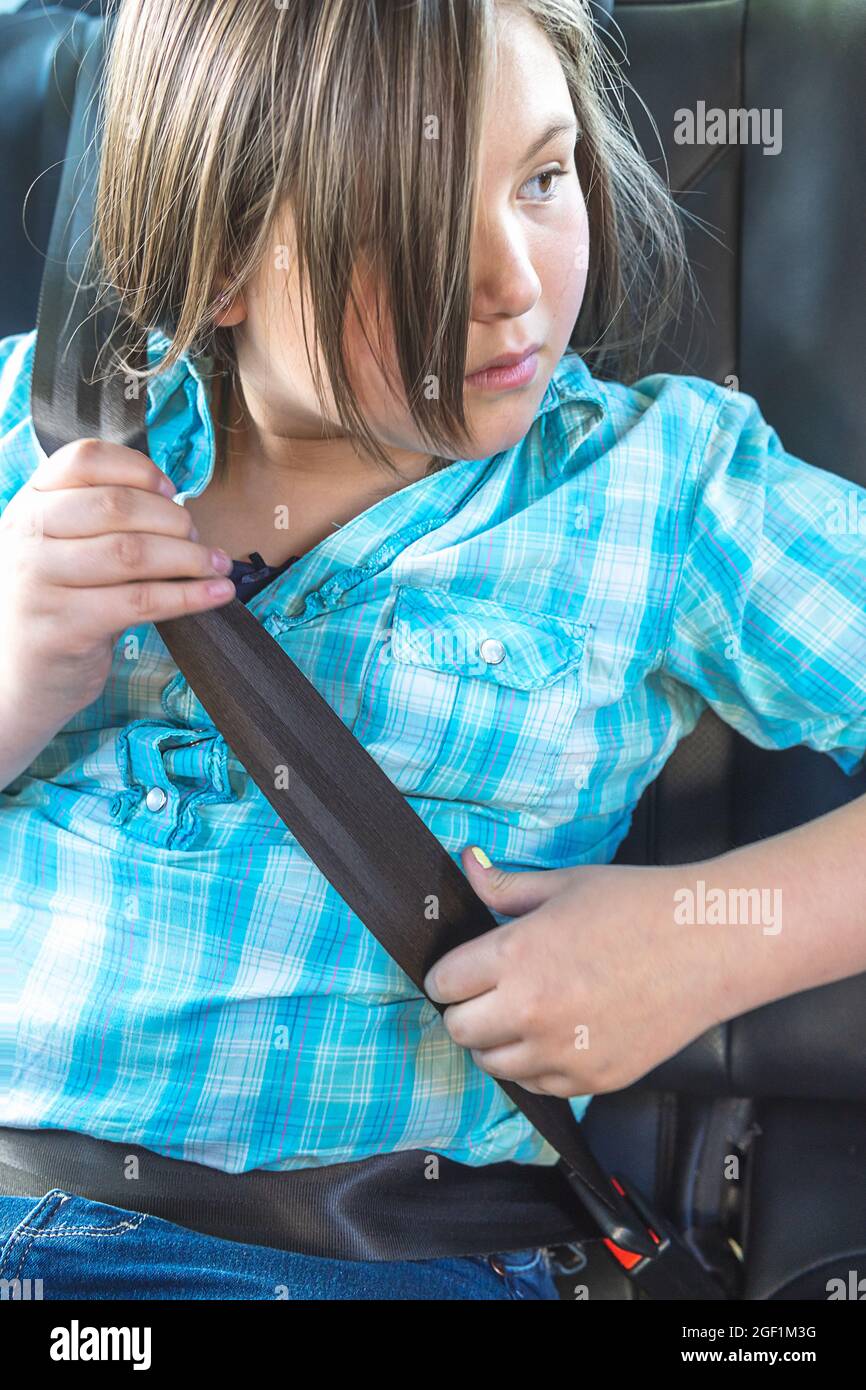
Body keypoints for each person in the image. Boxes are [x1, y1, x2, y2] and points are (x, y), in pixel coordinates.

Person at [1, 0, 864, 1300]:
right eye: (406, 227)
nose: (514, 285)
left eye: (543, 178)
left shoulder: (662, 490)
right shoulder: (35, 432)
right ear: (214, 261)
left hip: (363, 1249)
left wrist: (704, 941)